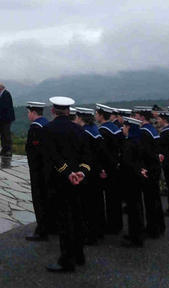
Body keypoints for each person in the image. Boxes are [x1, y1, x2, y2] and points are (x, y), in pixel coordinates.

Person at [42, 96, 91, 273]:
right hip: (79, 181)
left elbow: (51, 156)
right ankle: (79, 255)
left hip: (60, 182)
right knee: (78, 218)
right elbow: (87, 157)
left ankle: (66, 261)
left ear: (53, 111)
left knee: (64, 221)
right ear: (69, 111)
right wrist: (81, 172)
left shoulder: (48, 130)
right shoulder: (79, 130)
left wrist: (67, 172)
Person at [73, 107, 109, 244]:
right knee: (97, 203)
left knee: (88, 205)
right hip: (96, 171)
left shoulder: (84, 133)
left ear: (80, 118)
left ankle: (90, 235)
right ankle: (99, 231)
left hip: (87, 173)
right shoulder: (96, 131)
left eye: (76, 116)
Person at [133, 107, 165, 238]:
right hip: (155, 167)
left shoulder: (144, 132)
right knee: (155, 198)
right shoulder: (152, 130)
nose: (135, 118)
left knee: (150, 200)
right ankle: (160, 225)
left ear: (141, 117)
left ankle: (153, 228)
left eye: (136, 116)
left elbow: (145, 153)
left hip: (149, 168)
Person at [95, 103, 123, 234]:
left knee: (110, 198)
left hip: (108, 168)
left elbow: (103, 153)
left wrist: (102, 169)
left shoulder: (103, 131)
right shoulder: (116, 128)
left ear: (101, 115)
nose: (95, 116)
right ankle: (117, 224)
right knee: (116, 196)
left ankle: (112, 226)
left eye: (97, 114)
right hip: (117, 166)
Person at [120, 117, 147, 247]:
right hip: (137, 179)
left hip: (131, 179)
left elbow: (128, 163)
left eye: (124, 127)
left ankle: (135, 237)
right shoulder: (138, 141)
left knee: (133, 210)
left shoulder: (129, 144)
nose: (123, 129)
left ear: (129, 128)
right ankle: (136, 233)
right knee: (136, 208)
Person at [24, 102, 50, 241]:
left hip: (38, 170)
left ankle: (41, 230)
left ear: (33, 112)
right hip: (47, 168)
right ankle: (50, 225)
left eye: (29, 112)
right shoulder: (47, 124)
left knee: (39, 199)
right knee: (47, 198)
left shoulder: (36, 128)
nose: (28, 115)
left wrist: (33, 168)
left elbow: (33, 151)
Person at [0, 83, 15, 156]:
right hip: (1, 118)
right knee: (2, 134)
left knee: (6, 134)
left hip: (6, 118)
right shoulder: (0, 95)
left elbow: (5, 106)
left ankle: (9, 150)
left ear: (0, 88)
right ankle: (4, 149)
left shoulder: (6, 94)